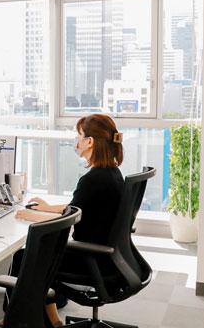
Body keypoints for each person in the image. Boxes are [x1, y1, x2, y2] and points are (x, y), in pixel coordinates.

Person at [11, 113, 126, 327]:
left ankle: (17, 320)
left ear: (89, 142)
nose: (76, 141)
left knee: (23, 257)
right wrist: (48, 208)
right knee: (38, 254)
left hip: (90, 260)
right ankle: (53, 319)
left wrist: (31, 215)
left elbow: (70, 218)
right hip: (107, 258)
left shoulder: (93, 179)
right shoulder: (111, 173)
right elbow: (79, 207)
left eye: (79, 136)